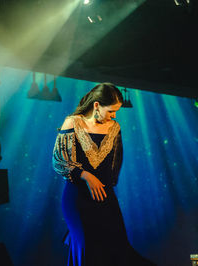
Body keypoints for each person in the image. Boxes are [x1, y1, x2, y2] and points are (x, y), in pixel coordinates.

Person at [52, 82, 156, 266]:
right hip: (77, 199)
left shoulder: (114, 128)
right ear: (97, 106)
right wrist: (86, 175)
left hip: (104, 197)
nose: (114, 116)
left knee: (117, 249)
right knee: (87, 248)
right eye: (111, 111)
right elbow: (59, 161)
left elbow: (114, 167)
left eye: (116, 112)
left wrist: (106, 192)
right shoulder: (73, 122)